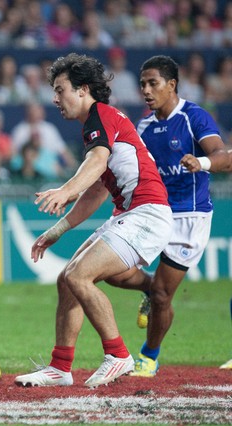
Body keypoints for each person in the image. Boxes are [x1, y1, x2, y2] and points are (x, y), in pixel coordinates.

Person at [13, 53, 173, 388]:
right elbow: (99, 189)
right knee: (67, 279)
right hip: (131, 213)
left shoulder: (100, 116)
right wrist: (58, 229)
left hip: (147, 213)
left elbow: (97, 163)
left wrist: (65, 190)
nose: (56, 99)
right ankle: (60, 368)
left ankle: (118, 355)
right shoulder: (100, 121)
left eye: (60, 90)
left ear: (83, 89)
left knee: (79, 276)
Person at [108, 55, 230, 376]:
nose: (146, 91)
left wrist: (202, 163)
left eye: (153, 83)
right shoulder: (144, 127)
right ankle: (148, 288)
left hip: (189, 217)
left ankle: (149, 356)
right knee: (111, 271)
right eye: (142, 84)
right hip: (152, 213)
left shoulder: (193, 116)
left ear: (172, 84)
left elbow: (224, 156)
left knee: (164, 295)